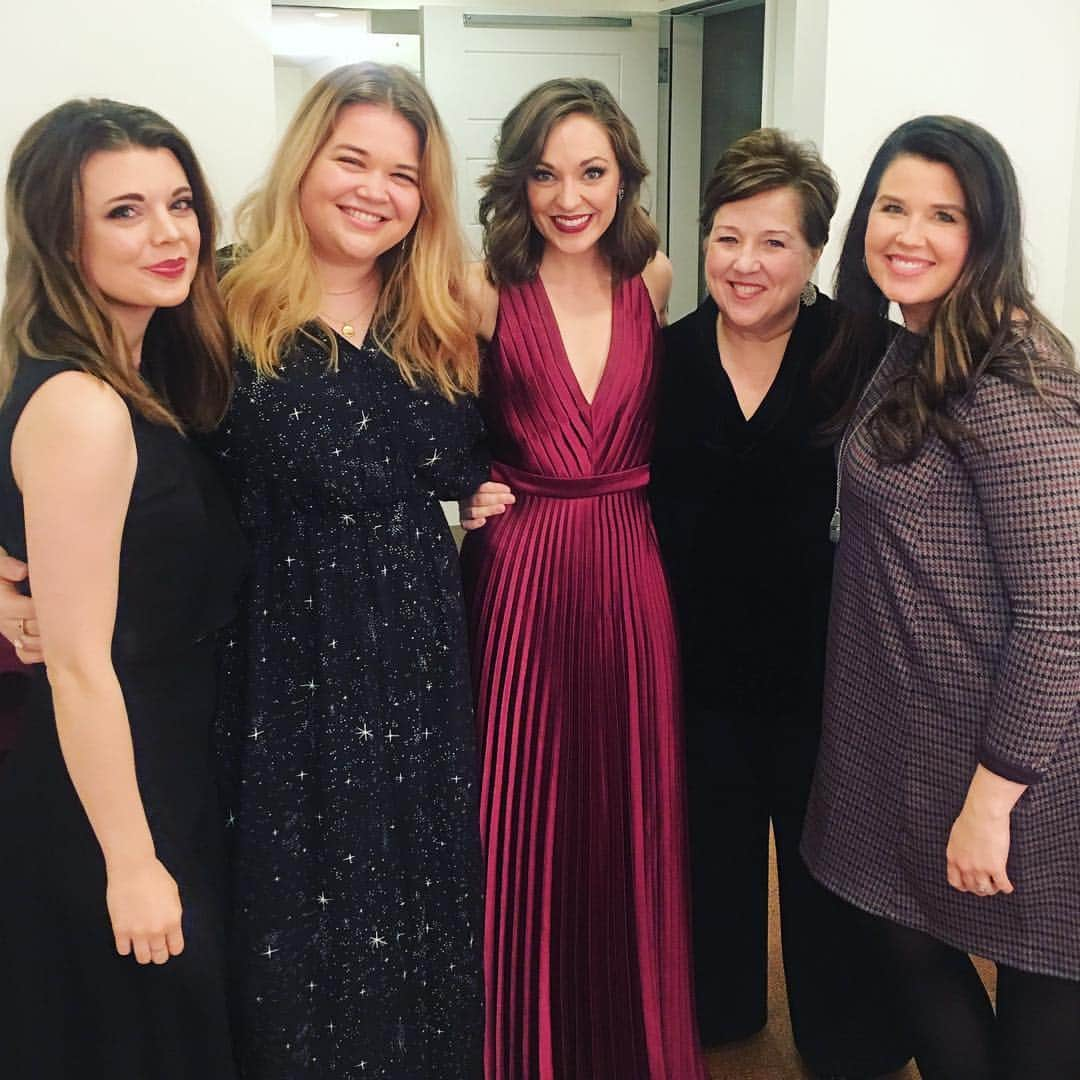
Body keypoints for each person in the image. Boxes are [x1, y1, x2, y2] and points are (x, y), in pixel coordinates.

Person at [213, 63, 486, 1078]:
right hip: (282, 648)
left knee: (421, 885)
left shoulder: (444, 311)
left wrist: (487, 491)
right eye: (353, 159)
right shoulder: (223, 298)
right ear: (305, 162)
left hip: (418, 645)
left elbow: (473, 455)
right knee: (296, 892)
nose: (376, 189)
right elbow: (128, 447)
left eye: (403, 175)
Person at [800, 115, 1080, 1080]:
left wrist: (994, 799)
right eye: (892, 206)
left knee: (1046, 967)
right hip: (923, 729)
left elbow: (1060, 615)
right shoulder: (910, 339)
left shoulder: (1011, 376)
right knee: (908, 936)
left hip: (1020, 756)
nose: (907, 235)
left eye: (944, 215)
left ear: (985, 235)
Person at [648, 128, 911, 1079]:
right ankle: (716, 1011)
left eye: (772, 242)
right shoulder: (661, 358)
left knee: (828, 879)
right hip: (694, 667)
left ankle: (849, 1042)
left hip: (830, 677)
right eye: (726, 238)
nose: (744, 264)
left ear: (812, 253)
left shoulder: (869, 355)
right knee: (706, 863)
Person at [459, 77, 706, 1080]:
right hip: (519, 568)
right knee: (518, 803)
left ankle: (626, 1033)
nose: (570, 197)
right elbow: (435, 426)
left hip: (626, 560)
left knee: (628, 803)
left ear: (624, 178)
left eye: (592, 172)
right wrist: (465, 486)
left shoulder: (656, 280)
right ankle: (519, 1044)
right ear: (517, 181)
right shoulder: (481, 287)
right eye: (546, 172)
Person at [0, 99, 243, 1079]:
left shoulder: (137, 372)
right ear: (61, 234)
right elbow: (82, 670)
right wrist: (132, 864)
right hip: (111, 793)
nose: (170, 233)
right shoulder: (84, 406)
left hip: (162, 766)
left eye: (179, 202)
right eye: (126, 212)